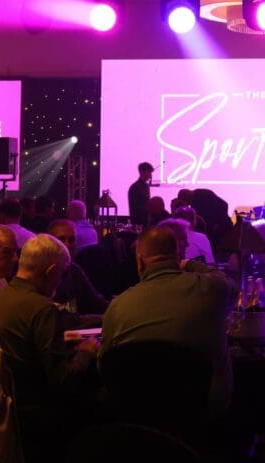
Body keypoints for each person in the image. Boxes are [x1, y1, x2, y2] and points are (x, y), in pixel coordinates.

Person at [99, 224, 235, 415]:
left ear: (139, 260)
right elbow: (227, 282)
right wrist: (188, 264)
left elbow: (104, 367)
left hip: (138, 414)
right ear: (178, 255)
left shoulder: (118, 307)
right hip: (204, 413)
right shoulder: (212, 289)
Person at [0, 234, 97, 405]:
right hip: (33, 409)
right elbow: (63, 382)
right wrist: (86, 352)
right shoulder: (43, 308)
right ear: (51, 272)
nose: (60, 281)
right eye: (61, 274)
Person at [46, 220, 110, 315]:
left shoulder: (74, 270)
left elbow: (97, 303)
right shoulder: (41, 272)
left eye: (71, 240)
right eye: (61, 239)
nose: (67, 244)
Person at [127, 162, 154, 227]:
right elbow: (134, 207)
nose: (150, 175)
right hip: (139, 222)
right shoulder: (135, 187)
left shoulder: (146, 186)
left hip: (145, 221)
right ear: (142, 172)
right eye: (149, 172)